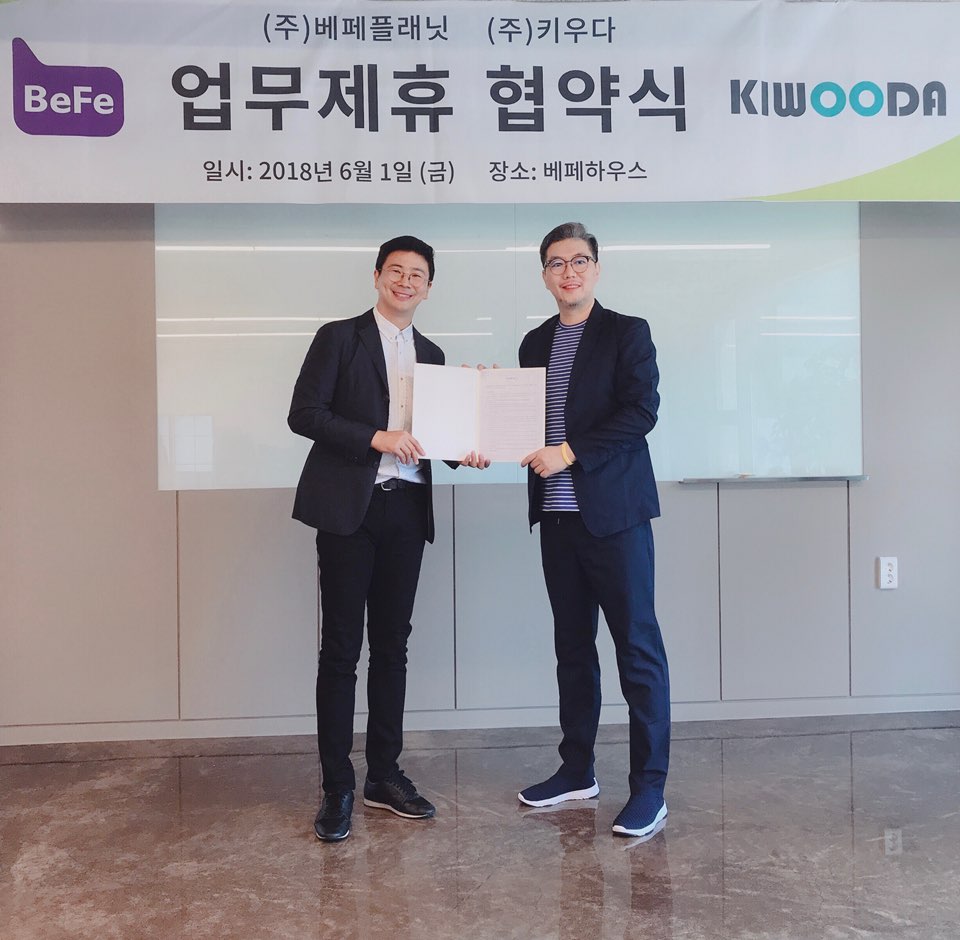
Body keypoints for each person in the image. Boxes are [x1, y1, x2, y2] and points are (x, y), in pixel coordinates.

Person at [288, 235, 487, 843]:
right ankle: (337, 786)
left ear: (429, 288)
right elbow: (304, 413)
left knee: (393, 647)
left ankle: (383, 775)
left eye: (417, 274)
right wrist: (376, 437)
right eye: (395, 271)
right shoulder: (338, 337)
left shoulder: (433, 353)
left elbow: (440, 438)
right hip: (349, 510)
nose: (405, 281)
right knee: (341, 649)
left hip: (407, 511)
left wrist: (471, 447)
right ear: (377, 276)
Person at [517, 221, 670, 839]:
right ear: (545, 275)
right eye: (557, 263)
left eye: (579, 260)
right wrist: (480, 415)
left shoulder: (627, 332)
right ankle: (576, 770)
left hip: (616, 519)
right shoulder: (534, 342)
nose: (569, 272)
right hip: (557, 520)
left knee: (637, 650)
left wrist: (570, 452)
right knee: (573, 649)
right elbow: (521, 421)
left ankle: (650, 788)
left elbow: (641, 413)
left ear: (597, 269)